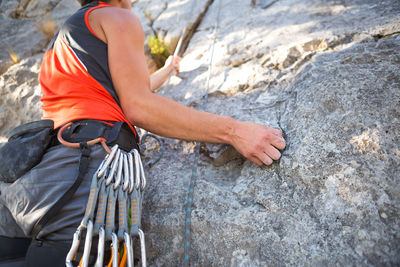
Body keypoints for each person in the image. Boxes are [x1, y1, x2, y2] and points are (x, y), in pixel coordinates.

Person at [0, 0, 286, 265]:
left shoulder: (67, 35)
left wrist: (164, 71)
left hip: (31, 179)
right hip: (83, 175)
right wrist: (235, 131)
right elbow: (138, 106)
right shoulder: (117, 16)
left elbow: (124, 90)